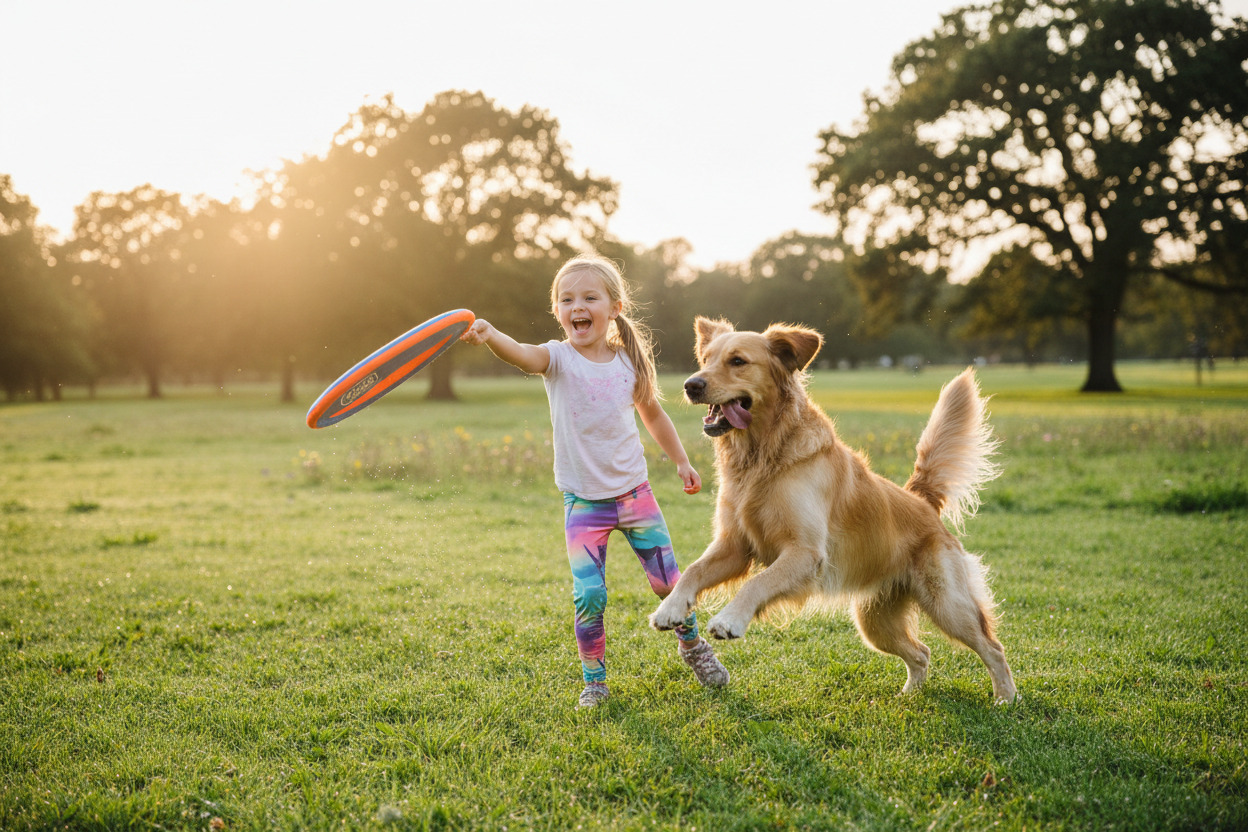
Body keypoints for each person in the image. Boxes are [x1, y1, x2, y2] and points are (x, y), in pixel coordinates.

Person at [460, 254, 728, 707]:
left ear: (614, 308)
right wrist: (490, 336)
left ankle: (692, 645)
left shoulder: (628, 363)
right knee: (589, 596)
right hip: (584, 504)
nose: (576, 306)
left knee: (669, 585)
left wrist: (681, 461)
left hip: (635, 495)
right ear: (558, 313)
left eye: (588, 297)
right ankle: (595, 681)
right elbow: (524, 356)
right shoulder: (558, 359)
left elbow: (654, 414)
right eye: (566, 300)